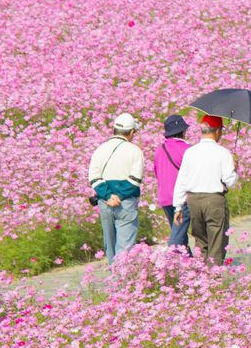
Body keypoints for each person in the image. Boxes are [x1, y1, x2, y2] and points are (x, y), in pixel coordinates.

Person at [171, 114, 237, 264]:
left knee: (200, 240)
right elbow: (230, 181)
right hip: (214, 200)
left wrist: (178, 207)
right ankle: (214, 275)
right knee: (217, 240)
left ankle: (201, 274)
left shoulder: (190, 152)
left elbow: (182, 181)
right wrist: (235, 171)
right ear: (218, 131)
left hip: (193, 201)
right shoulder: (223, 153)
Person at [88, 113, 144, 265]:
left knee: (110, 245)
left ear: (113, 129)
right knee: (124, 247)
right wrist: (118, 196)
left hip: (105, 203)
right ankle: (122, 282)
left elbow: (93, 176)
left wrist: (108, 196)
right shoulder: (135, 151)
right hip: (126, 203)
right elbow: (135, 180)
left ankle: (113, 281)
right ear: (132, 132)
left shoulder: (100, 150)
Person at [153, 114, 192, 254]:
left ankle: (189, 264)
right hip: (181, 198)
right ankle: (168, 263)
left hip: (165, 198)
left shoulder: (159, 149)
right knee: (177, 237)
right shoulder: (188, 149)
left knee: (179, 233)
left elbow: (157, 173)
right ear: (183, 131)